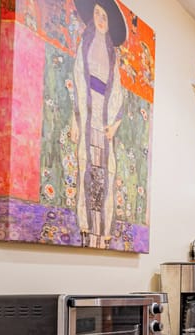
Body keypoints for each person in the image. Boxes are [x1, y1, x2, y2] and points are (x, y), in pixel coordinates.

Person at [70, 0, 127, 248]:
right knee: (85, 167)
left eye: (104, 16)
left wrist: (115, 124)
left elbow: (119, 95)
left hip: (105, 119)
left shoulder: (113, 57)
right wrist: (76, 119)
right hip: (87, 112)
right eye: (97, 14)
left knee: (106, 174)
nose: (101, 20)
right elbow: (77, 82)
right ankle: (85, 225)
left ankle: (103, 233)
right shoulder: (85, 45)